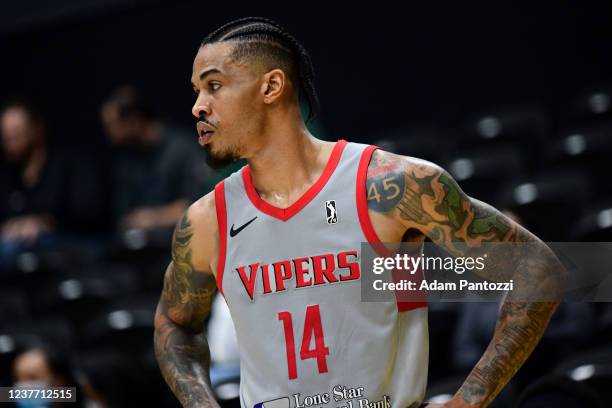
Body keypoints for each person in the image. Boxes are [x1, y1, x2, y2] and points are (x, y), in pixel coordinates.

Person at [153, 17, 567, 408]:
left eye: (214, 86)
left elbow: (537, 268)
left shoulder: (388, 187)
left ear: (271, 86)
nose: (198, 107)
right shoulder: (208, 220)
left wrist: (471, 398)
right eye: (196, 91)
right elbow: (175, 325)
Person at [0, 101, 104, 267]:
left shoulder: (69, 165)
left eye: (16, 133)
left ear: (36, 130)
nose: (9, 143)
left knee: (9, 250)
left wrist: (45, 222)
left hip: (72, 242)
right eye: (5, 137)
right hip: (22, 249)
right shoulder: (8, 176)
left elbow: (89, 214)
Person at [100, 85, 213, 233]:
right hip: (137, 246)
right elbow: (124, 214)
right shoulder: (127, 157)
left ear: (134, 120)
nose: (109, 135)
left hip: (181, 243)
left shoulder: (183, 150)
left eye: (112, 125)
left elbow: (199, 205)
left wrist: (153, 218)